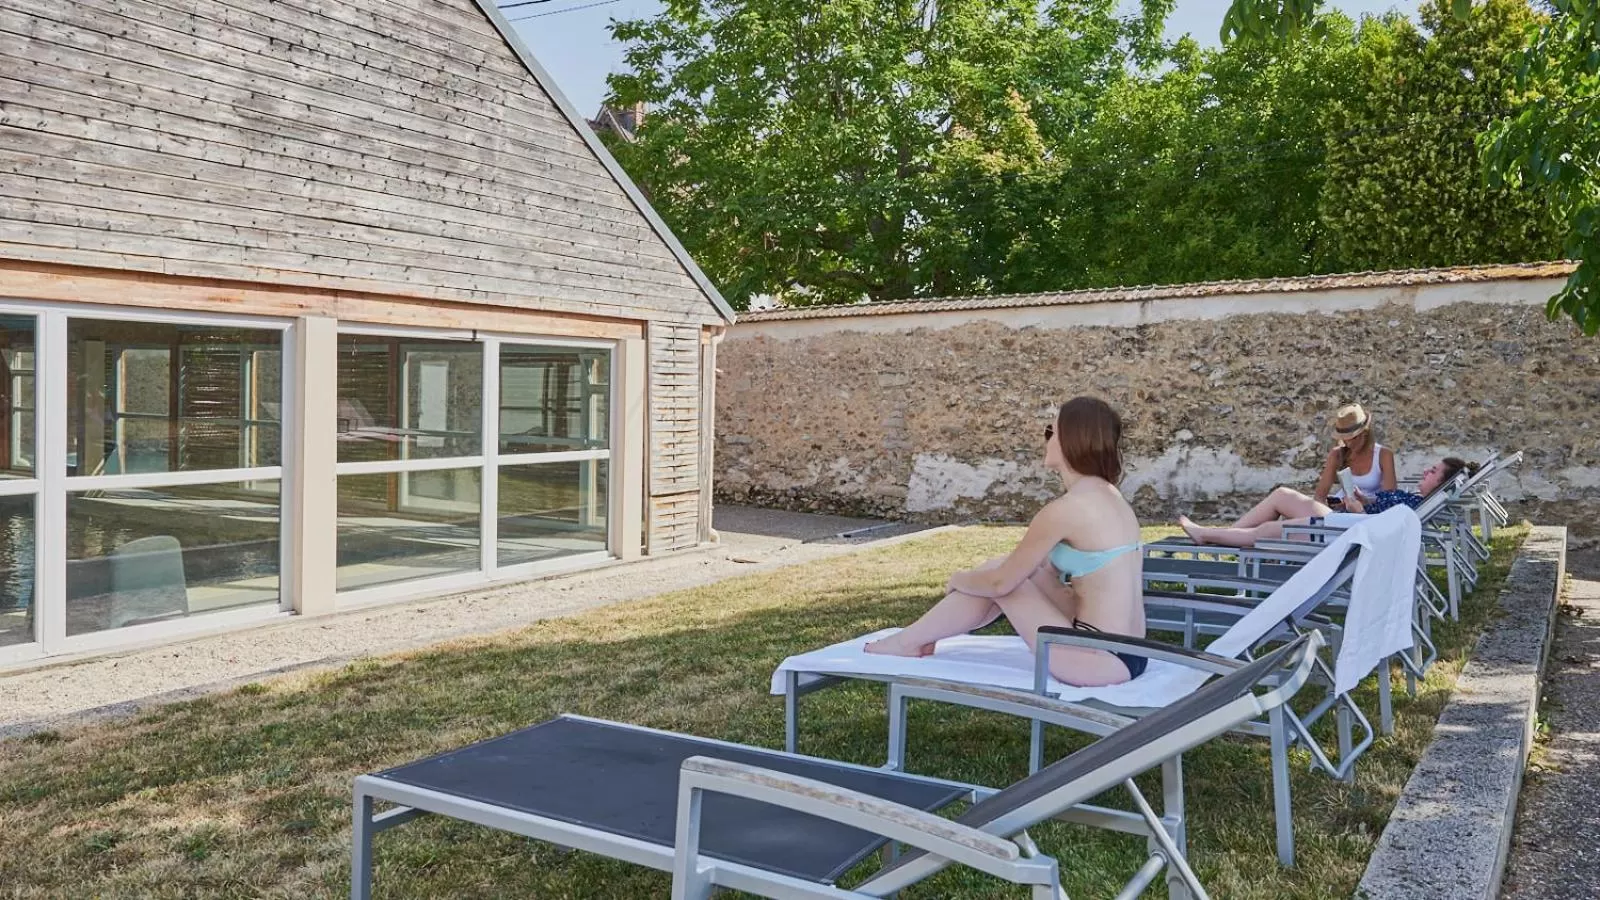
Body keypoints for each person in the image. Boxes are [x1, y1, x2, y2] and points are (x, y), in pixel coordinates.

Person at [864, 396, 1147, 686]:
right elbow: (1046, 574)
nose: (1046, 440)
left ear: (1070, 442)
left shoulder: (1067, 509)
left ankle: (907, 642)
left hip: (1098, 661)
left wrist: (959, 578)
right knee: (1005, 570)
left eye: (1051, 432)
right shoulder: (1112, 499)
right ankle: (916, 638)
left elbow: (1002, 583)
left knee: (1002, 580)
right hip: (1132, 652)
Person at [1178, 457, 1478, 548]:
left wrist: (1359, 510)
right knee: (1283, 494)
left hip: (1350, 532)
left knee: (1272, 529)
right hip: (1351, 520)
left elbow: (1382, 531)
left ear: (1442, 485)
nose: (1426, 470)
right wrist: (1363, 500)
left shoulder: (1413, 511)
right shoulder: (1414, 499)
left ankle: (1208, 536)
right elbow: (1380, 508)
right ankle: (1225, 537)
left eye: (1433, 472)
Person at [1313, 403, 1396, 508]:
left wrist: (1365, 501)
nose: (1349, 444)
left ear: (1365, 433)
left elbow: (1390, 499)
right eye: (1345, 439)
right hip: (1343, 511)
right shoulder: (1337, 455)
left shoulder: (1384, 455)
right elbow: (1319, 497)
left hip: (1374, 511)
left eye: (1353, 438)